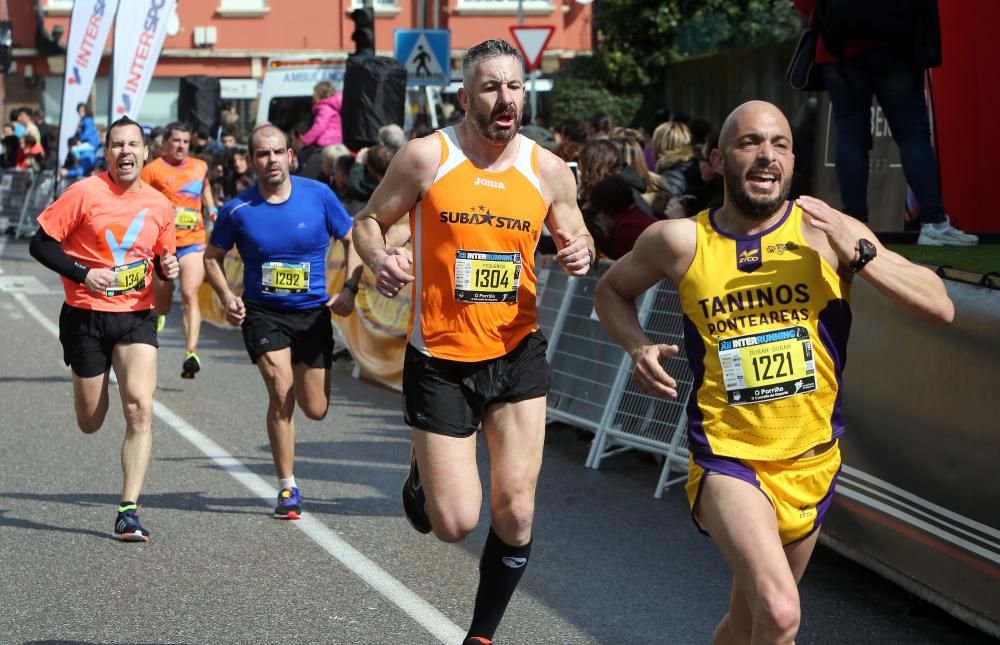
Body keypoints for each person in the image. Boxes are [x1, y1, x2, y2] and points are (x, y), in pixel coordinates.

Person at [593, 100, 954, 645]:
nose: (767, 156)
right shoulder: (681, 241)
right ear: (716, 161)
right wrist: (636, 344)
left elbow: (939, 304)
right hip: (729, 459)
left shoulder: (825, 233)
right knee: (782, 613)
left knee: (748, 626)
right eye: (750, 143)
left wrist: (859, 254)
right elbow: (611, 291)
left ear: (792, 159)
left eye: (779, 144)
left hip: (811, 459)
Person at [352, 39, 594, 645]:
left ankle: (480, 636)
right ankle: (423, 475)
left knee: (516, 510)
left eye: (514, 86)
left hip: (516, 354)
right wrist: (380, 258)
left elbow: (575, 231)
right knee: (454, 522)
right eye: (490, 87)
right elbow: (368, 223)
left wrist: (579, 249)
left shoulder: (547, 169)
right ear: (465, 96)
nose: (505, 98)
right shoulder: (425, 157)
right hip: (440, 359)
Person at [28, 115, 179, 542]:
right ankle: (95, 379)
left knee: (139, 407)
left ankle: (128, 509)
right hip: (86, 314)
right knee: (90, 420)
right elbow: (40, 243)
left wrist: (166, 267)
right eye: (117, 145)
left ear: (146, 152)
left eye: (133, 144)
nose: (125, 152)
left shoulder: (160, 204)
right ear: (107, 152)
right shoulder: (84, 192)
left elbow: (162, 260)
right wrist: (82, 273)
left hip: (136, 314)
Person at [203, 124, 360, 520]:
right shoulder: (238, 209)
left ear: (290, 155)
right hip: (263, 313)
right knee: (280, 390)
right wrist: (226, 296)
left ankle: (303, 386)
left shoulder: (319, 196)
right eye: (262, 154)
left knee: (316, 408)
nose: (270, 160)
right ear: (251, 160)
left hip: (312, 315)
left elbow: (353, 238)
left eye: (277, 152)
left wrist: (350, 288)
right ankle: (287, 486)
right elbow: (211, 256)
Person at [794, 0, 977, 246]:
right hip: (897, 47)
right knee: (913, 135)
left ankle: (854, 227)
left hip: (838, 50)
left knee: (850, 136)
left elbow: (805, 5)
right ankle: (934, 224)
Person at [140, 122, 218, 378]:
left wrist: (211, 207)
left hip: (193, 242)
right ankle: (160, 313)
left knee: (189, 294)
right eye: (176, 141)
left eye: (185, 141)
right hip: (163, 247)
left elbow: (204, 186)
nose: (181, 145)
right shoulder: (151, 171)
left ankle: (191, 352)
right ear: (165, 143)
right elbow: (139, 202)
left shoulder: (199, 166)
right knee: (161, 302)